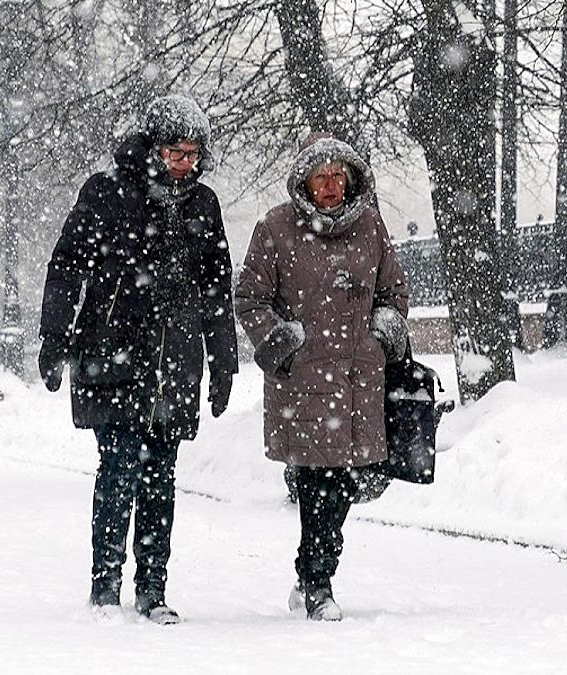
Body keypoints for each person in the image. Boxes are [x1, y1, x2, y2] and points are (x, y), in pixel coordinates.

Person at [38, 94, 239, 624]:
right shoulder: (106, 194)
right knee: (121, 465)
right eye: (176, 152)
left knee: (160, 475)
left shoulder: (202, 205)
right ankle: (105, 585)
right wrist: (54, 336)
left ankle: (152, 588)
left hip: (174, 359)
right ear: (153, 148)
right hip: (112, 354)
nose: (186, 164)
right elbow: (66, 268)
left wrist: (223, 359)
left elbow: (217, 289)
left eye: (194, 154)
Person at [234, 132, 410, 621]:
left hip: (360, 379)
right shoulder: (276, 228)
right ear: (304, 182)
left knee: (349, 483)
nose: (330, 186)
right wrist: (282, 342)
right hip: (305, 381)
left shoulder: (371, 227)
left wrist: (384, 330)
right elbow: (249, 297)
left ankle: (310, 573)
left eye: (339, 176)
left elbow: (393, 292)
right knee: (318, 483)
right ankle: (318, 585)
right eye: (321, 177)